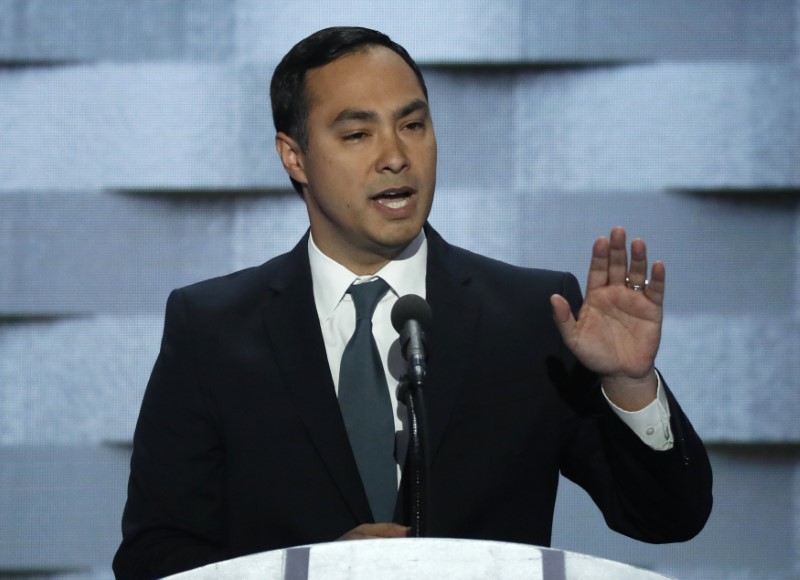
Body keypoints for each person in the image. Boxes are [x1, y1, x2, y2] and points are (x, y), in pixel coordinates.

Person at [113, 26, 712, 579]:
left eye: (413, 125)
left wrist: (631, 387)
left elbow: (667, 519)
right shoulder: (211, 329)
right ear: (294, 156)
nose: (395, 156)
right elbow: (152, 555)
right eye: (356, 134)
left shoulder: (532, 316)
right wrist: (305, 571)